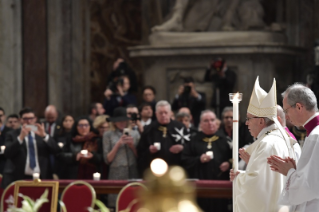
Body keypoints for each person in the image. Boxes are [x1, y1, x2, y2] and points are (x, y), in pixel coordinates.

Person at [230, 77, 295, 212]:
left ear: (261, 121)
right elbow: (267, 180)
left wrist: (239, 178)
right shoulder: (279, 139)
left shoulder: (268, 143)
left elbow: (258, 187)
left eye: (249, 118)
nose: (246, 123)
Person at [267, 83, 319, 212]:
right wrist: (297, 170)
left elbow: (311, 187)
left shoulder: (316, 136)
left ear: (299, 107)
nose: (286, 117)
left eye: (286, 111)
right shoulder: (314, 133)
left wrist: (289, 172)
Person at [182, 110, 231, 211]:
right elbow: (184, 160)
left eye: (212, 120)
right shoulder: (194, 140)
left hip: (220, 187)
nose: (210, 123)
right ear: (200, 124)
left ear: (216, 122)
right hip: (201, 188)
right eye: (206, 121)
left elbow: (235, 158)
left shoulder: (224, 140)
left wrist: (229, 163)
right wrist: (198, 159)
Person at [1, 107, 60, 188]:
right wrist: (21, 137)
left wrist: (45, 136)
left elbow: (56, 150)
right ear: (20, 120)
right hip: (19, 177)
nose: (28, 121)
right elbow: (7, 153)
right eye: (25, 119)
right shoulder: (12, 134)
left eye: (31, 118)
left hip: (41, 177)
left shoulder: (42, 132)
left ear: (35, 119)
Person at [137, 100, 189, 177]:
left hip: (176, 170)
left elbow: (191, 147)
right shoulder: (149, 129)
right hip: (155, 172)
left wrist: (182, 148)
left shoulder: (180, 127)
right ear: (156, 114)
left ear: (170, 113)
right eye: (161, 113)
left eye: (166, 112)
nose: (163, 115)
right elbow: (140, 151)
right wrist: (149, 151)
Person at [102, 107, 140, 208]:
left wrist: (132, 146)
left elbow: (139, 157)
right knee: (116, 204)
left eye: (123, 120)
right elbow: (107, 159)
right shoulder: (107, 135)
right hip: (116, 173)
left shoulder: (135, 134)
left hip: (133, 171)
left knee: (133, 203)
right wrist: (118, 144)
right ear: (114, 122)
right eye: (118, 121)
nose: (121, 123)